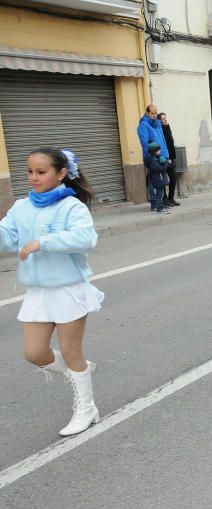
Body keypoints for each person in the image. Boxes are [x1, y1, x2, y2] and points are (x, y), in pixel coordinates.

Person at [0, 147, 104, 437]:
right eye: (30, 172)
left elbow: (85, 238)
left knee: (72, 351)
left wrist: (42, 242)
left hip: (69, 288)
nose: (34, 178)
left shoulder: (72, 207)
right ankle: (78, 371)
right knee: (34, 352)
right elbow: (6, 238)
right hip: (38, 291)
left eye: (41, 172)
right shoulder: (21, 206)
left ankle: (87, 408)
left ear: (60, 174)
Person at [137, 104, 170, 207]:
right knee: (153, 181)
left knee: (160, 179)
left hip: (161, 155)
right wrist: (155, 155)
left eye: (156, 113)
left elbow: (162, 140)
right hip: (151, 156)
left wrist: (165, 154)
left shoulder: (158, 124)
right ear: (147, 113)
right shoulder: (144, 125)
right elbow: (145, 143)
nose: (155, 115)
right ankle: (155, 203)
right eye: (153, 113)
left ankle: (160, 202)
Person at [156, 112, 180, 207]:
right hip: (163, 157)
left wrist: (173, 146)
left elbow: (170, 140)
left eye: (165, 118)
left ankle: (171, 197)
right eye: (163, 119)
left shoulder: (167, 127)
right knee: (164, 180)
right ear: (159, 121)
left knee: (173, 178)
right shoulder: (159, 129)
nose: (165, 120)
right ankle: (164, 199)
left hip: (171, 157)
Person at [143, 142, 170, 214]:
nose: (160, 151)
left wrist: (164, 162)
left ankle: (160, 207)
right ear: (154, 152)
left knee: (159, 194)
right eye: (158, 150)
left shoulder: (155, 158)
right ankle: (159, 208)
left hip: (158, 178)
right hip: (158, 179)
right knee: (159, 195)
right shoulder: (153, 160)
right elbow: (159, 169)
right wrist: (167, 164)